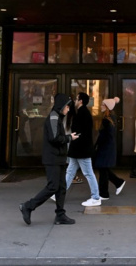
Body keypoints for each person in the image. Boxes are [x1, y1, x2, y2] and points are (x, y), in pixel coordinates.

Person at [20, 94, 78, 226]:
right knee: (53, 187)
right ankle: (28, 206)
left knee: (61, 187)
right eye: (67, 106)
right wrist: (69, 138)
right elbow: (54, 138)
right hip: (53, 158)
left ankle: (60, 215)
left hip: (58, 158)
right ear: (61, 106)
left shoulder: (57, 117)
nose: (68, 109)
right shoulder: (53, 117)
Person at [65, 92, 101, 207]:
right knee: (70, 172)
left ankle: (96, 197)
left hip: (81, 150)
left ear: (80, 101)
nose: (75, 100)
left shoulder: (82, 113)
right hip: (80, 150)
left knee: (88, 173)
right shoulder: (83, 112)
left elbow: (81, 133)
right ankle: (59, 193)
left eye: (76, 99)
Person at [95, 97, 125, 200]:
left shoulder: (106, 120)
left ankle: (104, 193)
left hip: (105, 148)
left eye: (103, 105)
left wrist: (96, 146)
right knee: (104, 168)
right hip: (108, 147)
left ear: (107, 107)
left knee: (103, 169)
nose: (101, 106)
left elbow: (103, 136)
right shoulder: (111, 118)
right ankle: (117, 183)